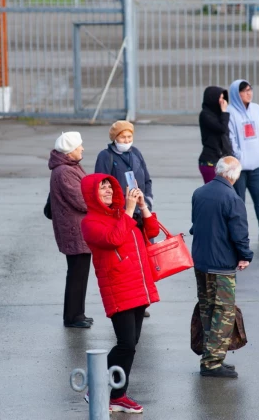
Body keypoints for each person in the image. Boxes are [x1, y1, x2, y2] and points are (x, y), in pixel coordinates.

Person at [80, 173, 160, 414]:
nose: (107, 192)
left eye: (109, 188)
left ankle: (112, 392)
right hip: (119, 288)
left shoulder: (120, 215)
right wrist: (128, 210)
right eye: (101, 189)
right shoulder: (90, 222)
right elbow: (113, 239)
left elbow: (152, 230)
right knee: (126, 344)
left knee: (131, 343)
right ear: (91, 195)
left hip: (137, 286)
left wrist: (143, 207)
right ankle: (107, 391)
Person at [191, 156, 253, 379]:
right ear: (234, 175)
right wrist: (245, 256)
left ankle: (212, 357)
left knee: (207, 308)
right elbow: (239, 233)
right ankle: (212, 362)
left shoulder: (199, 193)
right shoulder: (232, 197)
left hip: (201, 262)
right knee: (223, 312)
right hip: (222, 265)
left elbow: (194, 225)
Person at [95, 120, 154, 318]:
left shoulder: (136, 153)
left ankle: (143, 300)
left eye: (129, 137)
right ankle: (129, 301)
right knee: (126, 258)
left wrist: (148, 201)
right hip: (120, 214)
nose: (126, 140)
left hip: (139, 211)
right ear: (114, 138)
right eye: (123, 137)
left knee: (143, 256)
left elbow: (146, 178)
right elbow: (101, 183)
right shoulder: (106, 156)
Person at [48, 132, 93, 329]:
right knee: (77, 273)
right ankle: (73, 316)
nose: (82, 149)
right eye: (79, 146)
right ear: (69, 150)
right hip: (74, 230)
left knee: (79, 273)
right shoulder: (65, 171)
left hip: (78, 229)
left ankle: (77, 313)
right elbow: (81, 200)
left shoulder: (69, 167)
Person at [227, 79, 259, 241]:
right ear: (236, 94)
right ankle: (240, 233)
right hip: (239, 168)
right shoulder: (230, 112)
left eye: (250, 89)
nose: (249, 93)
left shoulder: (257, 110)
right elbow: (230, 138)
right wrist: (239, 156)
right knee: (239, 202)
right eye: (244, 91)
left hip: (257, 165)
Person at [198, 86, 232, 183]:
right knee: (214, 192)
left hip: (222, 160)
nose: (222, 101)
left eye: (223, 98)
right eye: (220, 98)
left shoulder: (219, 115)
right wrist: (224, 112)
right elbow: (221, 128)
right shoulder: (205, 115)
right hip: (210, 161)